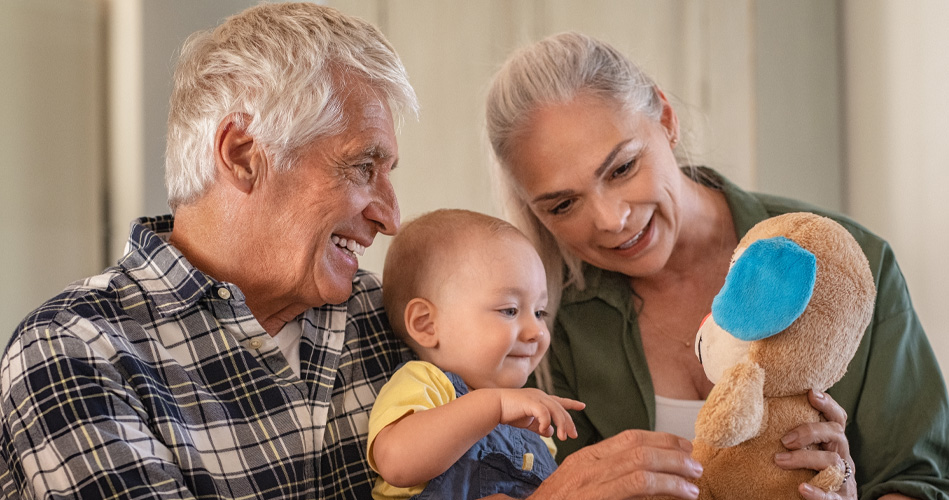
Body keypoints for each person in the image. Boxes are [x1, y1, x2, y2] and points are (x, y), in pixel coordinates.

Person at [0, 5, 702, 500]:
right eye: (363, 166)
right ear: (244, 155)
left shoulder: (395, 315)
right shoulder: (76, 351)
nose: (391, 216)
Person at [484, 31, 949, 500]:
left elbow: (923, 478)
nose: (611, 220)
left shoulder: (848, 265)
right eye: (563, 205)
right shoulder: (539, 327)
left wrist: (847, 490)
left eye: (622, 168)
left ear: (666, 118)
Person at [369, 209, 584, 499]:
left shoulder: (530, 421)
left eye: (539, 312)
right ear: (426, 324)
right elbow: (396, 461)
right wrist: (493, 406)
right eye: (509, 310)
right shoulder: (425, 383)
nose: (537, 332)